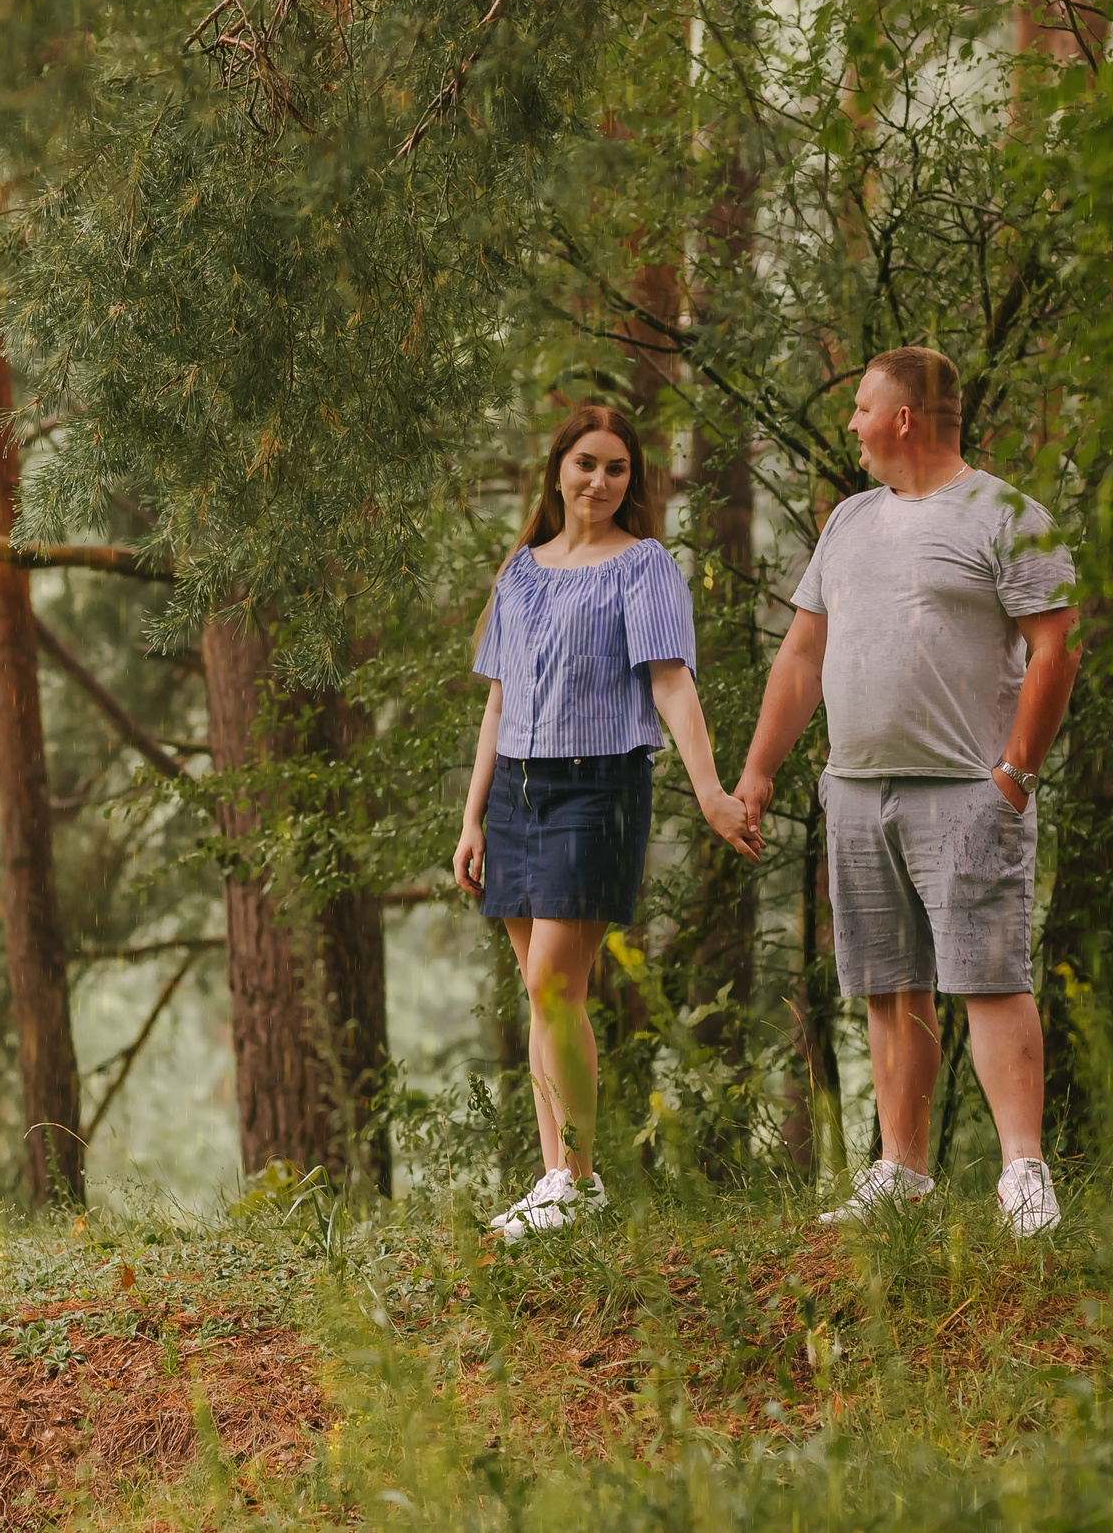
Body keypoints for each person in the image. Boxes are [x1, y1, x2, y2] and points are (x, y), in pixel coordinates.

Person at [733, 347, 1080, 1239]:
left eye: (860, 407)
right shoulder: (849, 521)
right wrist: (759, 770)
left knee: (991, 978)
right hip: (855, 791)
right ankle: (902, 1170)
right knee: (889, 984)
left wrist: (1014, 774)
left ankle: (1024, 1176)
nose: (850, 423)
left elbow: (1056, 648)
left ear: (903, 417)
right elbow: (803, 654)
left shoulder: (1006, 514)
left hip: (969, 789)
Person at [453, 405, 761, 1242]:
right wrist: (472, 816)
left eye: (617, 468)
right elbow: (499, 700)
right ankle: (557, 1177)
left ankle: (577, 1181)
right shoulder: (520, 570)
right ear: (558, 468)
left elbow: (672, 685)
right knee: (541, 994)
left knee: (556, 981)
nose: (599, 480)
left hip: (599, 788)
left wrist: (710, 792)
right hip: (515, 790)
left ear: (633, 482)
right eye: (586, 463)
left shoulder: (646, 567)